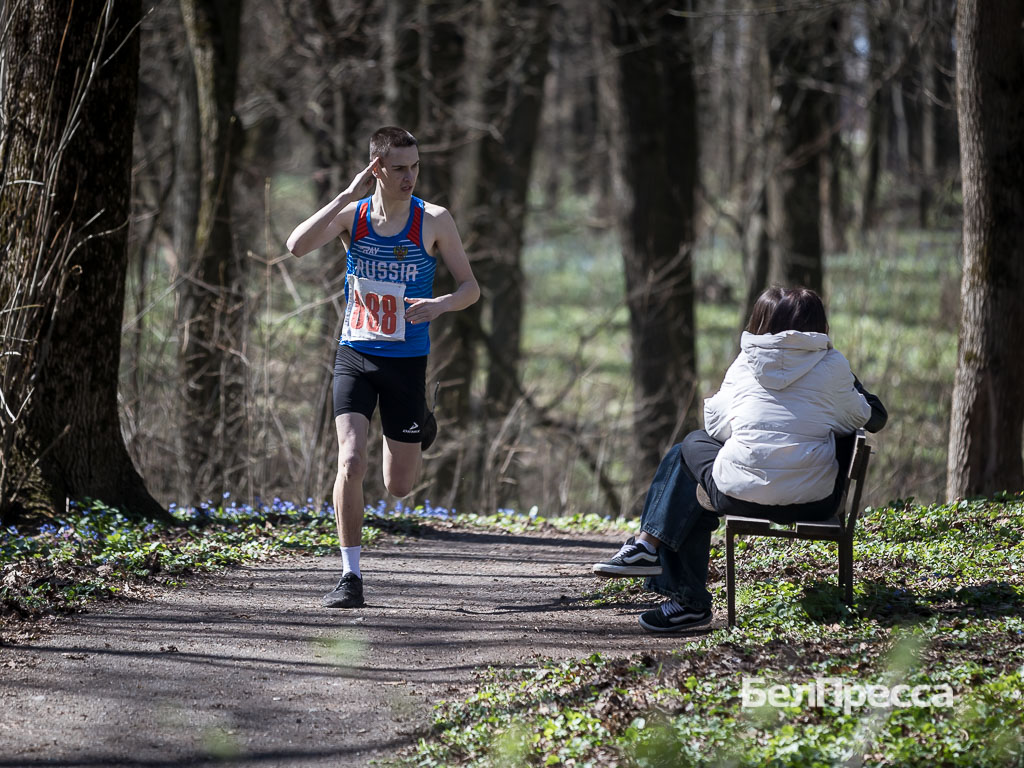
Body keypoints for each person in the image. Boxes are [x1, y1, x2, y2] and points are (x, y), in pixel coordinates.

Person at [592, 287, 887, 633]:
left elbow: (715, 428)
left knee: (689, 450)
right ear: (818, 326)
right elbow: (872, 418)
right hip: (814, 502)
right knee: (692, 468)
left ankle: (664, 570)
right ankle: (658, 563)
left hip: (739, 497)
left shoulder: (746, 363)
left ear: (761, 322)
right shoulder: (833, 367)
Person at [287, 126, 480, 609]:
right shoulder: (352, 216)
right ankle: (350, 576)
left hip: (407, 361)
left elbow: (470, 288)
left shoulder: (433, 220)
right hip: (355, 353)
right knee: (351, 460)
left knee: (399, 486)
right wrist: (344, 196)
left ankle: (420, 423)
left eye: (415, 167)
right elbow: (296, 246)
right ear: (376, 168)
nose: (409, 177)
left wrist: (441, 304)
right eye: (398, 168)